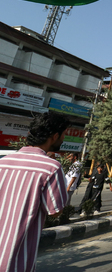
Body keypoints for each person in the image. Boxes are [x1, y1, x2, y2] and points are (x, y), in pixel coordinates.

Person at [0, 111, 69, 272]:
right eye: (64, 134)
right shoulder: (51, 168)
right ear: (55, 136)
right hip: (13, 258)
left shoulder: (3, 162)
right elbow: (55, 211)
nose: (64, 139)